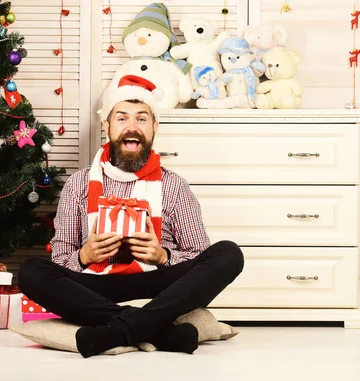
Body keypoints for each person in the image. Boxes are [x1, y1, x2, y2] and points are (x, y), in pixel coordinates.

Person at [18, 75, 244, 358]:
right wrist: (85, 255)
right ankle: (160, 331)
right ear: (107, 126)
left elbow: (200, 255)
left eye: (142, 119)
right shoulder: (78, 184)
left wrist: (162, 256)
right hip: (95, 287)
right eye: (122, 118)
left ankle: (114, 332)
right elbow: (61, 259)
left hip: (158, 284)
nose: (132, 127)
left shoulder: (174, 185)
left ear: (154, 128)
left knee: (229, 254)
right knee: (30, 271)